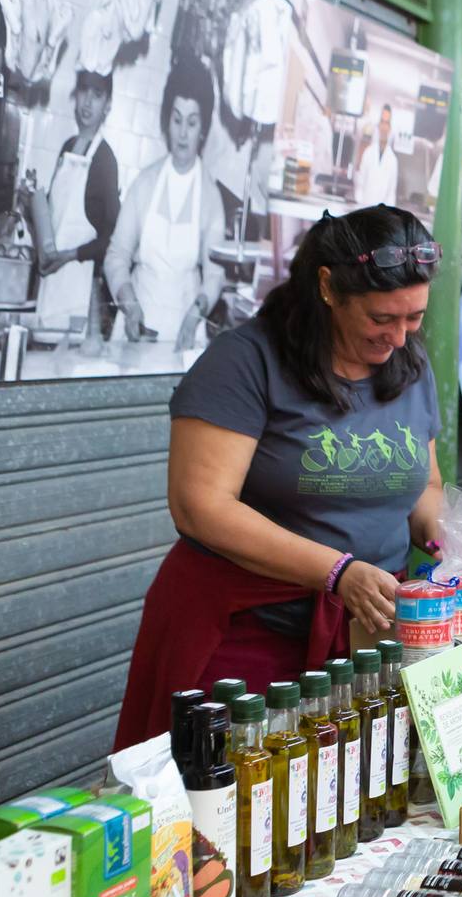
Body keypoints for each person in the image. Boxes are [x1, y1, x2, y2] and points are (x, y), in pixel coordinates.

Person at [114, 205, 444, 746]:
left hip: (363, 641)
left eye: (414, 318)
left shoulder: (409, 366)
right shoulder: (246, 362)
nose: (400, 338)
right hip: (243, 635)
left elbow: (425, 487)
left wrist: (449, 540)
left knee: (339, 808)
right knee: (232, 802)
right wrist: (338, 571)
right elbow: (200, 504)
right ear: (329, 288)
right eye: (382, 319)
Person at [104, 57, 225, 351]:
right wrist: (130, 305)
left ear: (203, 128)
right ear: (166, 121)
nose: (183, 133)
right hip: (135, 328)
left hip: (187, 331)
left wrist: (196, 314)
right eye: (177, 119)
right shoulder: (144, 185)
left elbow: (215, 273)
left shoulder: (211, 197)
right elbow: (116, 256)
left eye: (192, 122)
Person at [30, 66, 121, 336]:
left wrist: (69, 256)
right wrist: (33, 203)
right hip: (49, 277)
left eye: (97, 95)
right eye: (83, 92)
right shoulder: (68, 147)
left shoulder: (105, 160)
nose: (88, 102)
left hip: (76, 287)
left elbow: (112, 236)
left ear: (108, 105)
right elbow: (55, 214)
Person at [357, 104, 400, 208]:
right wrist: (359, 204)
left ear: (390, 128)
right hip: (364, 209)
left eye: (387, 123)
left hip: (382, 215)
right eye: (382, 122)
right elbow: (360, 182)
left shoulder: (393, 160)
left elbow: (391, 193)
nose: (384, 127)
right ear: (378, 125)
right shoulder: (368, 153)